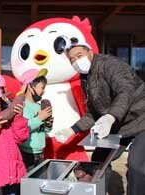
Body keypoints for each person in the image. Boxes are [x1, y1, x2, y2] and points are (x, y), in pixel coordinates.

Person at [54, 38, 145, 195]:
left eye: (79, 55)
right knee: (98, 161)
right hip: (120, 124)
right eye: (72, 59)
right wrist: (72, 130)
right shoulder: (86, 78)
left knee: (137, 167)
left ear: (90, 51)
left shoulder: (110, 64)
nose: (76, 61)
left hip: (141, 119)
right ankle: (99, 191)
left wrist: (110, 117)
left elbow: (125, 91)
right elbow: (93, 113)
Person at [18, 69, 53, 171]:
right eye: (42, 87)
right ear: (30, 87)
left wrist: (48, 125)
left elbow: (43, 130)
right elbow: (23, 127)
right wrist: (39, 118)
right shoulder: (22, 106)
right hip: (26, 154)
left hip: (40, 152)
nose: (44, 91)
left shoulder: (39, 106)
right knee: (28, 184)